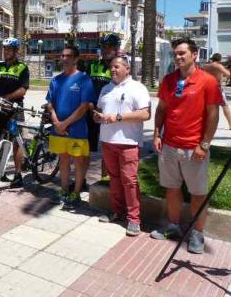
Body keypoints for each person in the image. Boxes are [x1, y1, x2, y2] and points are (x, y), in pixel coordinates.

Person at [150, 38, 220, 254]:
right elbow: (161, 109)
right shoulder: (169, 80)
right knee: (172, 188)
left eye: (182, 53)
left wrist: (204, 145)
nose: (178, 57)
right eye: (175, 54)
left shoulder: (207, 81)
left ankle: (197, 233)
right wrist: (156, 134)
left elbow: (213, 115)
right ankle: (173, 226)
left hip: (194, 148)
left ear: (195, 55)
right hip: (169, 146)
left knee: (198, 193)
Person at [94, 55, 151, 236]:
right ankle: (117, 211)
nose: (113, 70)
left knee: (130, 181)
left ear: (127, 69)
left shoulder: (137, 88)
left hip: (128, 143)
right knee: (114, 178)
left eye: (117, 66)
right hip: (107, 141)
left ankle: (134, 219)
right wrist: (97, 116)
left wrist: (118, 117)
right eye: (111, 67)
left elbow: (145, 114)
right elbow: (101, 111)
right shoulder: (106, 88)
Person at [46, 45, 95, 209]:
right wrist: (56, 122)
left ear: (76, 59)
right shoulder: (56, 80)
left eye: (68, 56)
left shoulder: (84, 79)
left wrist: (64, 124)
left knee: (79, 161)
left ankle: (76, 193)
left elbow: (84, 107)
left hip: (77, 130)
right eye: (62, 55)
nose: (64, 59)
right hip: (58, 130)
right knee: (63, 159)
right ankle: (64, 190)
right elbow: (50, 103)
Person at [0, 37, 30, 189]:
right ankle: (0, 170)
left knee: (16, 143)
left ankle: (18, 175)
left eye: (9, 49)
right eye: (5, 49)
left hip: (15, 109)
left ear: (15, 51)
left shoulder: (22, 68)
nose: (6, 51)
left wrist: (7, 98)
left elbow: (23, 89)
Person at [84, 33, 121, 183]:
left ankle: (105, 182)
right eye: (103, 47)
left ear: (116, 49)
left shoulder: (120, 68)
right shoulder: (93, 65)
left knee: (108, 151)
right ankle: (81, 181)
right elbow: (85, 87)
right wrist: (91, 105)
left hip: (110, 116)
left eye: (109, 48)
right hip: (91, 112)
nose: (106, 50)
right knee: (85, 149)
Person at [202, 53, 231, 129]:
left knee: (207, 107)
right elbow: (228, 74)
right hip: (216, 88)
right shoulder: (218, 66)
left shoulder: (205, 66)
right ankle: (230, 124)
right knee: (225, 106)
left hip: (206, 87)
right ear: (220, 59)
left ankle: (203, 124)